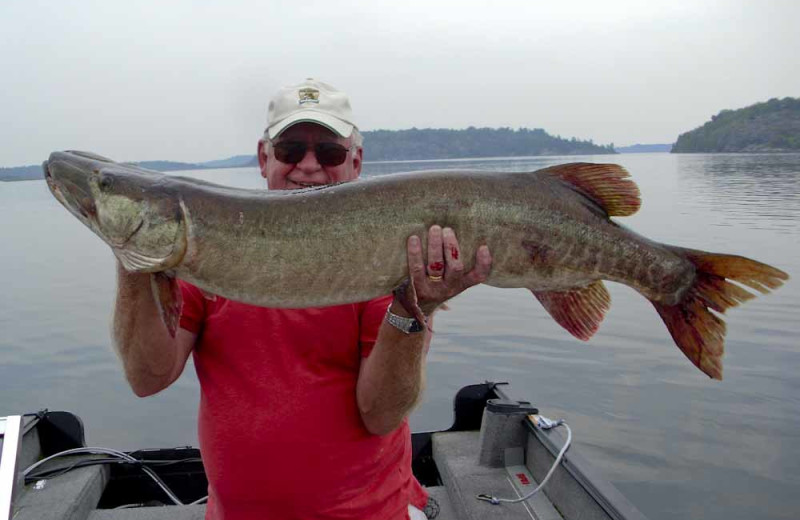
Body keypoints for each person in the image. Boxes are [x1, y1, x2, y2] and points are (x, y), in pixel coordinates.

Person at [112, 78, 493, 520]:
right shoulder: (203, 254)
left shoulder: (382, 260)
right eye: (291, 149)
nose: (308, 166)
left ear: (355, 162)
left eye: (329, 153)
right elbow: (148, 378)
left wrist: (414, 308)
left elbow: (381, 415)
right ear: (263, 157)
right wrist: (134, 254)